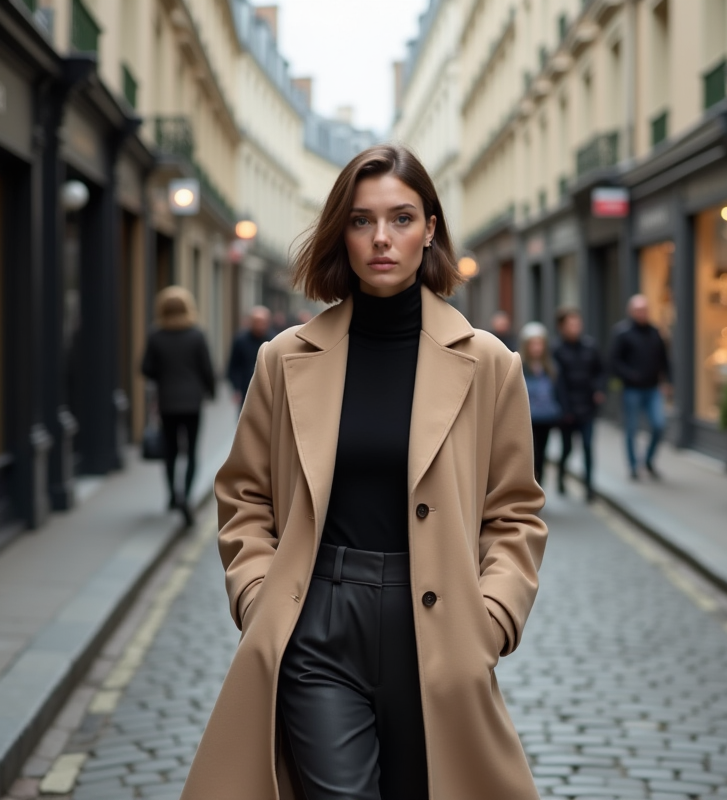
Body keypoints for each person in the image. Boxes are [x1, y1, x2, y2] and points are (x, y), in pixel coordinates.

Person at [180, 144, 547, 800]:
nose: (382, 238)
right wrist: (258, 592)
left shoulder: (489, 364)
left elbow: (515, 510)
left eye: (402, 218)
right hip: (318, 620)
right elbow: (243, 495)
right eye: (361, 220)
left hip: (438, 625)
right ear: (340, 233)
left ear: (430, 229)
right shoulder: (284, 358)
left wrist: (492, 616)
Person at [140, 286, 214, 525]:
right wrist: (210, 391)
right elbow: (207, 368)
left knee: (170, 451)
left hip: (167, 402)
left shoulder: (156, 335)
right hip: (192, 402)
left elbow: (145, 368)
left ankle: (173, 495)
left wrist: (163, 374)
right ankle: (187, 497)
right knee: (192, 451)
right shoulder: (196, 334)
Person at [609, 294, 671, 480]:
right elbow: (614, 362)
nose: (642, 313)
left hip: (653, 388)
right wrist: (631, 376)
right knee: (632, 429)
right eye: (638, 310)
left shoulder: (655, 332)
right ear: (631, 312)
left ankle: (649, 460)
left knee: (659, 425)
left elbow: (664, 359)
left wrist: (667, 381)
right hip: (632, 389)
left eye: (644, 310)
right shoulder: (622, 333)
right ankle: (634, 467)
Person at [553, 307, 605, 501]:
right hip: (567, 410)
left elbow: (600, 371)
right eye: (571, 324)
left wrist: (599, 390)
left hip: (587, 407)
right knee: (567, 449)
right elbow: (557, 383)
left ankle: (589, 487)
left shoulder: (590, 346)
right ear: (562, 327)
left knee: (588, 446)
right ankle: (560, 476)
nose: (575, 327)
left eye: (578, 323)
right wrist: (563, 409)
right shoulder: (556, 350)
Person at [520, 321, 564, 487]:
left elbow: (557, 391)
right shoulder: (520, 366)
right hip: (528, 419)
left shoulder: (550, 367)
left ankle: (539, 486)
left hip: (546, 417)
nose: (537, 348)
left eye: (540, 343)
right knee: (530, 455)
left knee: (541, 454)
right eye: (533, 344)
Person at [226, 305, 273, 407]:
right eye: (257, 322)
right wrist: (236, 388)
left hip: (268, 390)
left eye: (263, 322)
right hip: (245, 388)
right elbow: (233, 366)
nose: (260, 325)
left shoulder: (274, 340)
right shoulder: (240, 340)